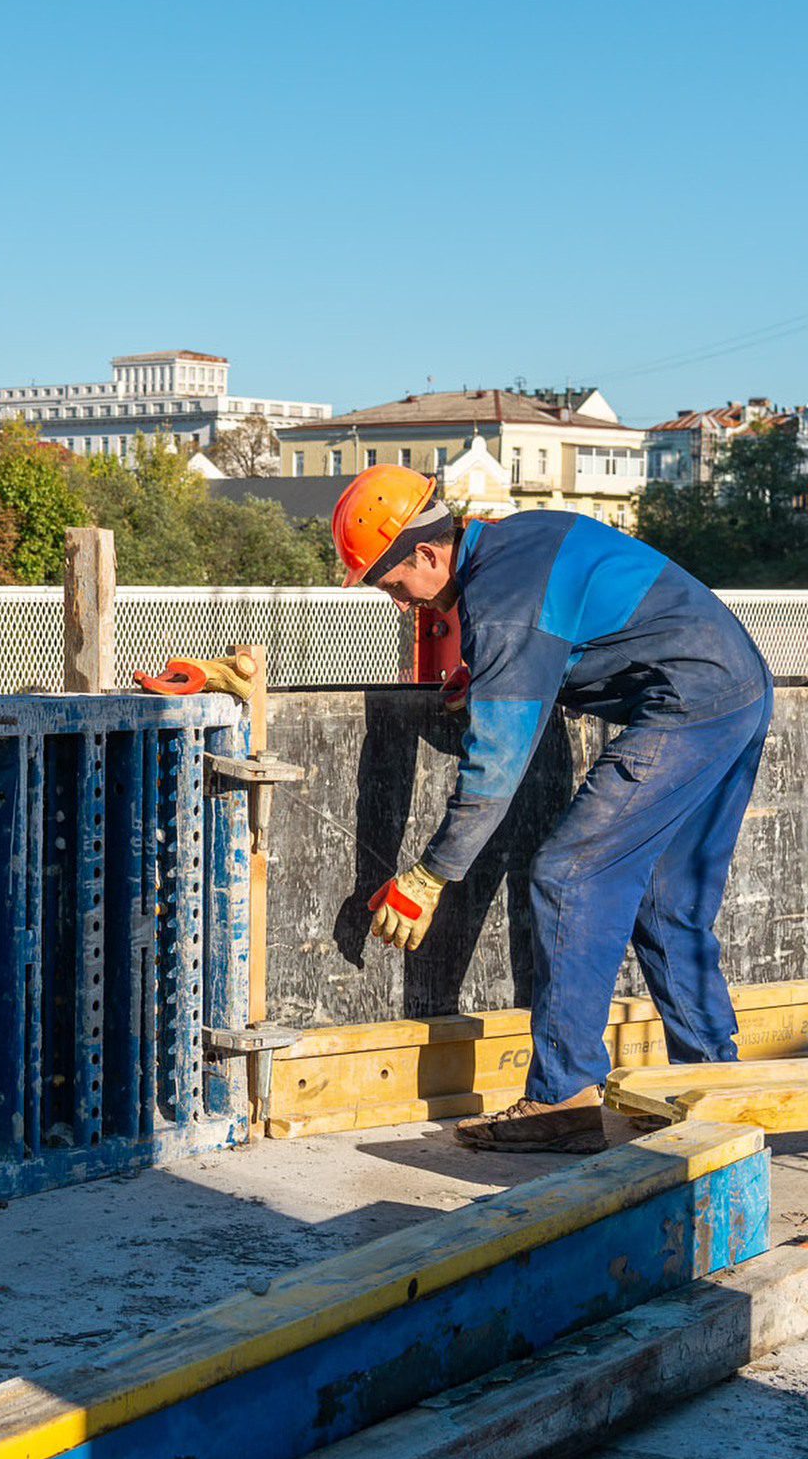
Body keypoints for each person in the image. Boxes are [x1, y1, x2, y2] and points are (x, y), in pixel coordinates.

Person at [331, 466, 773, 1153]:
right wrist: (492, 678)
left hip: (689, 701)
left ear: (424, 553)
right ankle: (715, 1086)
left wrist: (431, 874)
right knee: (666, 902)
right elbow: (564, 631)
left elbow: (496, 764)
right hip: (738, 684)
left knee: (570, 876)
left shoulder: (500, 599)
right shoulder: (515, 542)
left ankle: (562, 1097)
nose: (398, 603)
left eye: (390, 584)